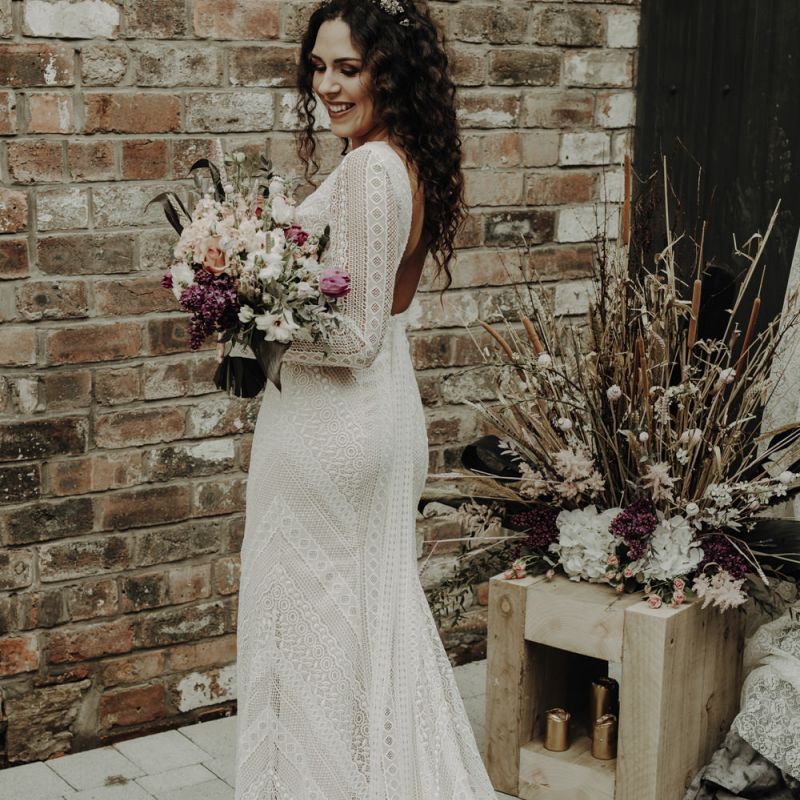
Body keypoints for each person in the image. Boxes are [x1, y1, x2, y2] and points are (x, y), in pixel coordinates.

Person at [233, 1, 497, 797]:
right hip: (373, 421)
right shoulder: (401, 156)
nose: (328, 87)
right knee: (361, 632)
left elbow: (353, 338)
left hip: (333, 429)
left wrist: (253, 319)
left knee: (312, 630)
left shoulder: (372, 170)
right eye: (318, 67)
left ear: (390, 72)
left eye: (349, 68)